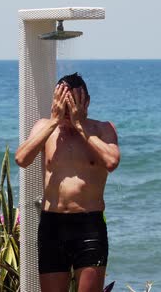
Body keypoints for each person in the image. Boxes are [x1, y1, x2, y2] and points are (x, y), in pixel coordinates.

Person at [15, 73, 121, 292]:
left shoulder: (103, 129)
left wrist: (80, 125)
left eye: (72, 104)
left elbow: (111, 161)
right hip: (52, 224)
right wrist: (54, 121)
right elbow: (22, 159)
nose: (67, 111)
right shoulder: (45, 127)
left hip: (89, 225)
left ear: (86, 102)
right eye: (62, 104)